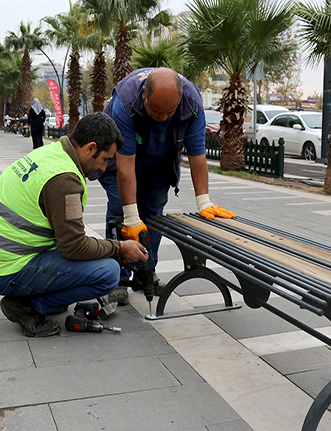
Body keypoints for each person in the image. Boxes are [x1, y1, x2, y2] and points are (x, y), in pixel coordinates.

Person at [0, 112, 148, 337]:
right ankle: (30, 305)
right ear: (91, 148)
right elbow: (74, 247)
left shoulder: (50, 153)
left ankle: (35, 296)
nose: (104, 168)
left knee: (94, 256)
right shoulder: (65, 180)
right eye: (105, 159)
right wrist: (119, 248)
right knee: (109, 273)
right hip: (6, 267)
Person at [94, 67, 235, 305]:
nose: (163, 118)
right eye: (156, 112)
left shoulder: (191, 103)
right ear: (144, 98)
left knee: (153, 213)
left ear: (179, 100)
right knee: (121, 211)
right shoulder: (125, 104)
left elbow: (197, 155)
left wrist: (204, 201)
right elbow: (126, 166)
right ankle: (118, 278)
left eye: (169, 113)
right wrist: (130, 216)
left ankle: (146, 271)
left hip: (159, 162)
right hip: (120, 161)